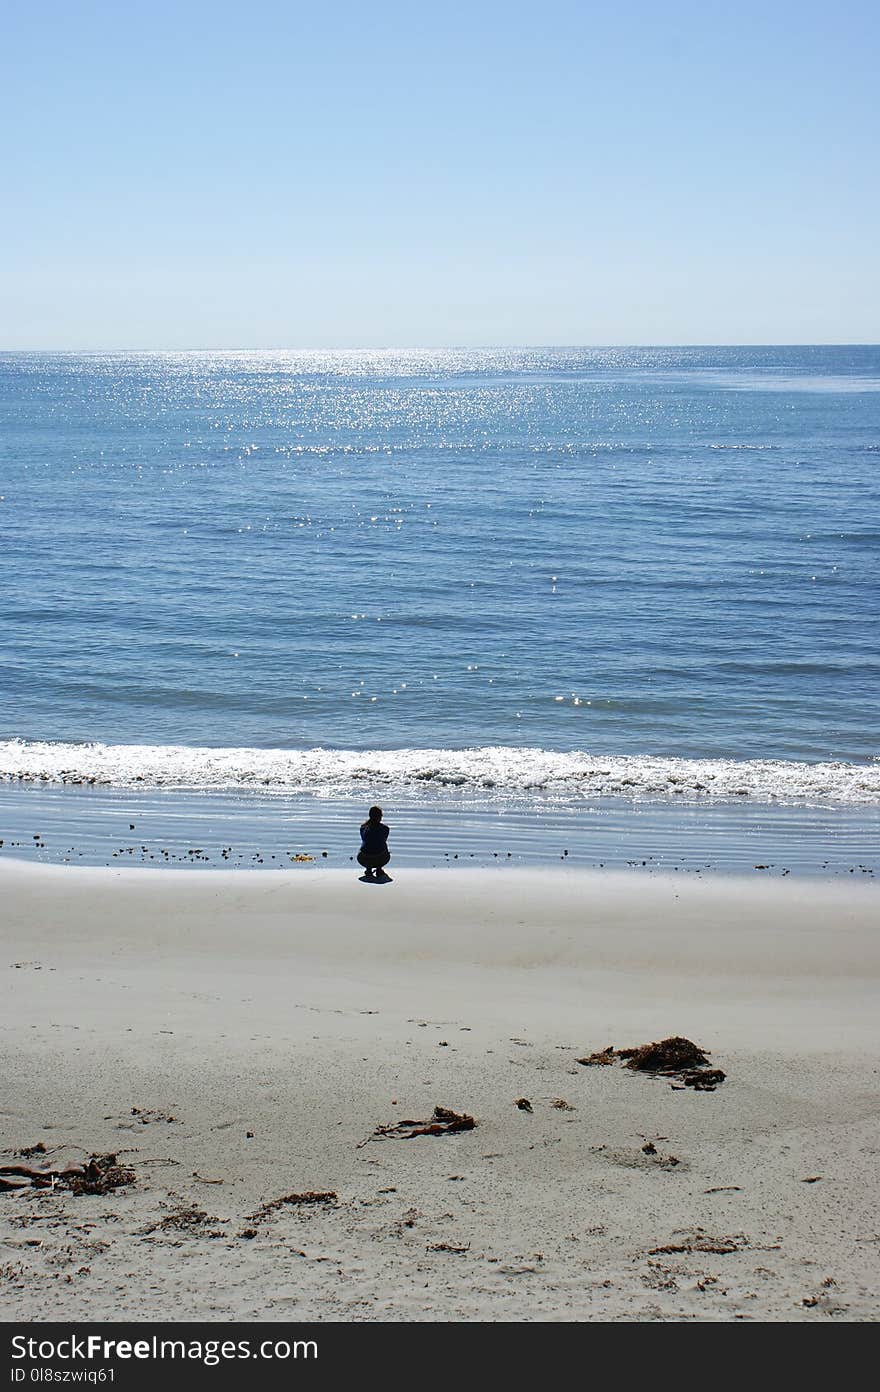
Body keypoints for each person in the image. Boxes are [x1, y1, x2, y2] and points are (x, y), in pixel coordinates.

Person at [357, 805, 391, 881]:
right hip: (381, 858)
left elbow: (364, 840)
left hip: (363, 859)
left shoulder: (363, 828)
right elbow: (383, 841)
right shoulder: (385, 828)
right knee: (382, 845)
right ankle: (379, 868)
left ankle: (368, 869)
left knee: (367, 844)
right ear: (380, 816)